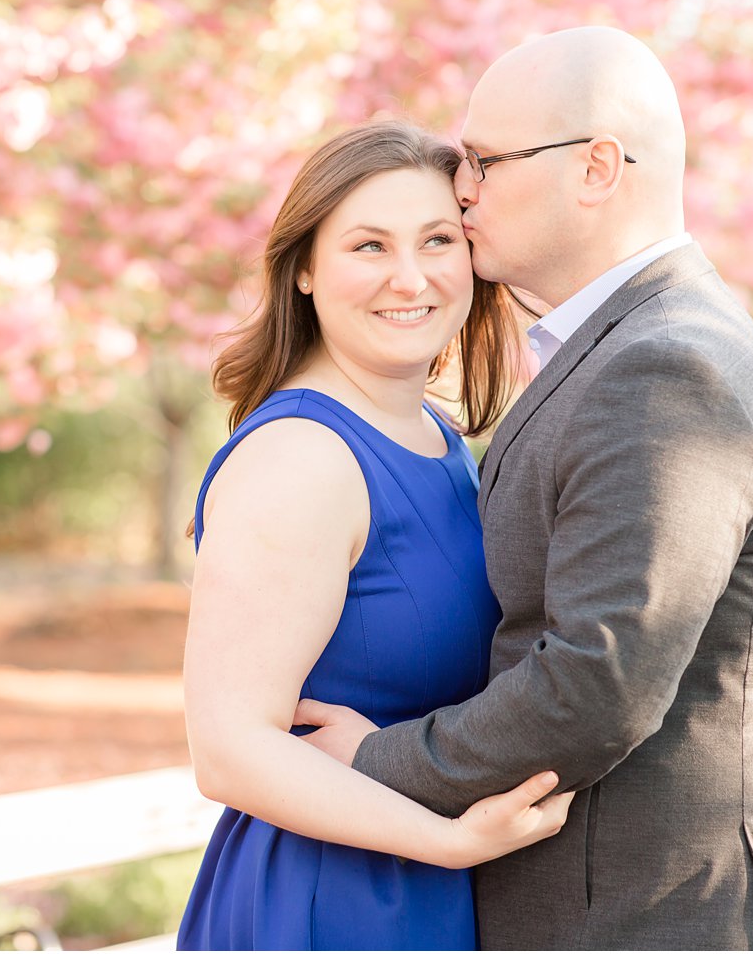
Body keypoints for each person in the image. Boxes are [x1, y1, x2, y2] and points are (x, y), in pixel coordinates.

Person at [296, 27, 753, 950]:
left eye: (484, 159)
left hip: (664, 920)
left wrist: (372, 758)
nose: (461, 186)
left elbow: (597, 681)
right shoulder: (622, 349)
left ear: (598, 168)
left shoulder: (666, 368)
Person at [176, 120, 574, 951]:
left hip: (434, 890)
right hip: (333, 900)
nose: (410, 276)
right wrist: (447, 840)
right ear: (307, 273)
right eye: (368, 246)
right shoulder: (301, 457)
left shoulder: (437, 435)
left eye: (437, 239)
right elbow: (228, 747)